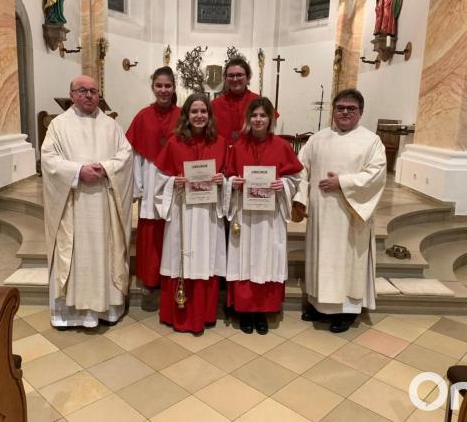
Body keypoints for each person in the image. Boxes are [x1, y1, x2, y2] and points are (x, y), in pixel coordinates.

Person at [41, 75, 133, 329]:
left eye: (93, 91)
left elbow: (126, 155)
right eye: (82, 90)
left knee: (105, 251)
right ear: (71, 94)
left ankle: (107, 309)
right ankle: (71, 313)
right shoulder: (58, 126)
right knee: (76, 252)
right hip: (74, 203)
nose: (89, 95)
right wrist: (77, 171)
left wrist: (105, 168)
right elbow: (48, 160)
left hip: (104, 204)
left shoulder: (111, 126)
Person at [292, 88, 386, 333]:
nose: (345, 112)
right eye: (340, 108)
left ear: (361, 112)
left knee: (347, 261)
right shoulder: (318, 139)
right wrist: (300, 200)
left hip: (350, 215)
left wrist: (342, 183)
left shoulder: (371, 141)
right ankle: (318, 304)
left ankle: (346, 311)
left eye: (351, 108)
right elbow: (301, 169)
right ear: (333, 110)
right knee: (320, 257)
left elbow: (375, 176)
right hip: (322, 213)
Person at [224, 98, 303, 335]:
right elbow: (227, 177)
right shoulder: (237, 147)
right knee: (245, 259)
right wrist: (232, 183)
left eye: (263, 115)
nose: (258, 120)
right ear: (248, 119)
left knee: (267, 259)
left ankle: (262, 311)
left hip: (270, 217)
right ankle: (245, 310)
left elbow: (296, 178)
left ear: (270, 119)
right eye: (254, 115)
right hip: (245, 216)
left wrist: (284, 184)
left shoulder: (281, 146)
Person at [153, 93, 227, 333]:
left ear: (209, 115)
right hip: (182, 211)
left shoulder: (220, 142)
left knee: (205, 258)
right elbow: (159, 180)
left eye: (203, 111)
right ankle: (179, 315)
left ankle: (203, 314)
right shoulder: (175, 143)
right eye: (194, 111)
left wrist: (221, 180)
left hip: (207, 214)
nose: (199, 116)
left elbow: (230, 176)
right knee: (180, 257)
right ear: (186, 115)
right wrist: (174, 181)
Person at [125, 67, 180, 310]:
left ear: (174, 88)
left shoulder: (183, 115)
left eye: (168, 86)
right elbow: (135, 154)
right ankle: (149, 278)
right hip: (149, 181)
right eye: (159, 85)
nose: (164, 90)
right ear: (152, 87)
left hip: (175, 182)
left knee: (173, 228)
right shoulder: (142, 116)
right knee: (149, 231)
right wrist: (137, 187)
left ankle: (170, 276)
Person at [211, 57, 277, 147]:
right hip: (223, 152)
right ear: (226, 79)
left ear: (248, 77)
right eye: (230, 75)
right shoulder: (215, 104)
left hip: (251, 152)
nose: (235, 79)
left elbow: (270, 125)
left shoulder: (259, 102)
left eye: (239, 75)